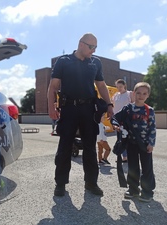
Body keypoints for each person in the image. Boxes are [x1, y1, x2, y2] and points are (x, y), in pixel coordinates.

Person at [47, 33, 114, 197]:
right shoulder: (63, 61)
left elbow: (101, 85)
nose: (94, 50)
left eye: (96, 47)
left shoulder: (95, 62)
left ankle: (91, 183)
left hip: (89, 109)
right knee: (65, 146)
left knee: (90, 147)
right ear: (81, 44)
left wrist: (110, 104)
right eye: (91, 47)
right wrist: (51, 107)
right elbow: (53, 86)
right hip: (68, 108)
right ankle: (60, 184)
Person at [111, 82, 156, 202]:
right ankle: (133, 189)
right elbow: (115, 118)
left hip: (145, 144)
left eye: (144, 93)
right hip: (131, 144)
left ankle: (147, 192)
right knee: (133, 167)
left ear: (148, 95)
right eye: (138, 93)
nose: (141, 96)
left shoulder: (149, 110)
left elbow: (152, 129)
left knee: (147, 168)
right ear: (133, 93)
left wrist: (151, 143)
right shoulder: (128, 108)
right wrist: (115, 125)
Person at [112, 79, 134, 162]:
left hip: (127, 119)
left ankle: (127, 156)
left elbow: (134, 104)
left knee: (127, 137)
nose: (119, 88)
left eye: (120, 86)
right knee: (120, 138)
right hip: (118, 119)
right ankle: (123, 156)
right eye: (117, 87)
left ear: (124, 85)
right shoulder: (115, 95)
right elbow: (113, 106)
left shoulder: (129, 94)